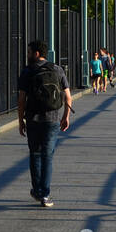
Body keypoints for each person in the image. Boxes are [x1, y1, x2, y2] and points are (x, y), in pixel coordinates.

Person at [17, 40, 72, 207]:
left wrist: (21, 121)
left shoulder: (27, 71)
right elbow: (68, 97)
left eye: (28, 52)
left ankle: (37, 190)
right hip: (53, 119)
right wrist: (66, 116)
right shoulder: (57, 69)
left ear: (36, 54)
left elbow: (21, 99)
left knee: (35, 154)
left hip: (33, 118)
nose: (27, 55)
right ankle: (45, 195)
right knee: (48, 156)